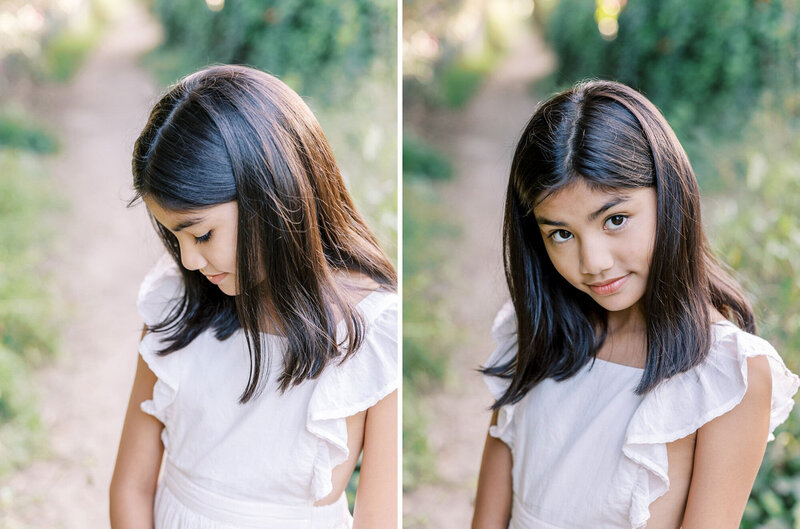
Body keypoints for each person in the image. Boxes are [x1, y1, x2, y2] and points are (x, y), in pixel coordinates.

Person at [472, 80, 800, 529]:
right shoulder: (536, 331)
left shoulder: (727, 374)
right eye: (561, 234)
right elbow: (488, 517)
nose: (593, 263)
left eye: (615, 220)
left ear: (670, 196)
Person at [109, 65, 398, 529]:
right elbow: (131, 485)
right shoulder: (177, 300)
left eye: (202, 235)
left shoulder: (375, 335)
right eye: (174, 237)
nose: (188, 261)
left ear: (272, 192)